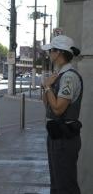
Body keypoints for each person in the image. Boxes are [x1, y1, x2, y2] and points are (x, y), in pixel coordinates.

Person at [41, 35, 83, 194]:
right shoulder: (59, 75)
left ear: (58, 52)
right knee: (57, 183)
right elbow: (47, 105)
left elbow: (58, 109)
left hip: (64, 137)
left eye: (51, 50)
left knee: (65, 185)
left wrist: (47, 87)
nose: (49, 54)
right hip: (56, 135)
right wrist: (47, 87)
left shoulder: (69, 77)